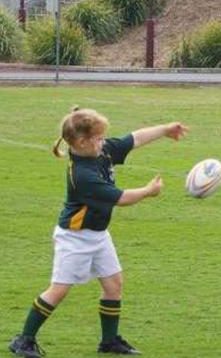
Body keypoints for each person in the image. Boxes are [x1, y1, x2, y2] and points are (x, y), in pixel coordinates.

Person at [8, 107, 188, 357]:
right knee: (58, 290)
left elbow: (134, 138)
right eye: (99, 137)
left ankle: (110, 341)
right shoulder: (82, 174)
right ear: (82, 141)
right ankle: (24, 340)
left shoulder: (99, 150)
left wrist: (166, 129)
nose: (104, 142)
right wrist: (148, 191)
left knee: (114, 284)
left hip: (98, 234)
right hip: (74, 238)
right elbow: (121, 198)